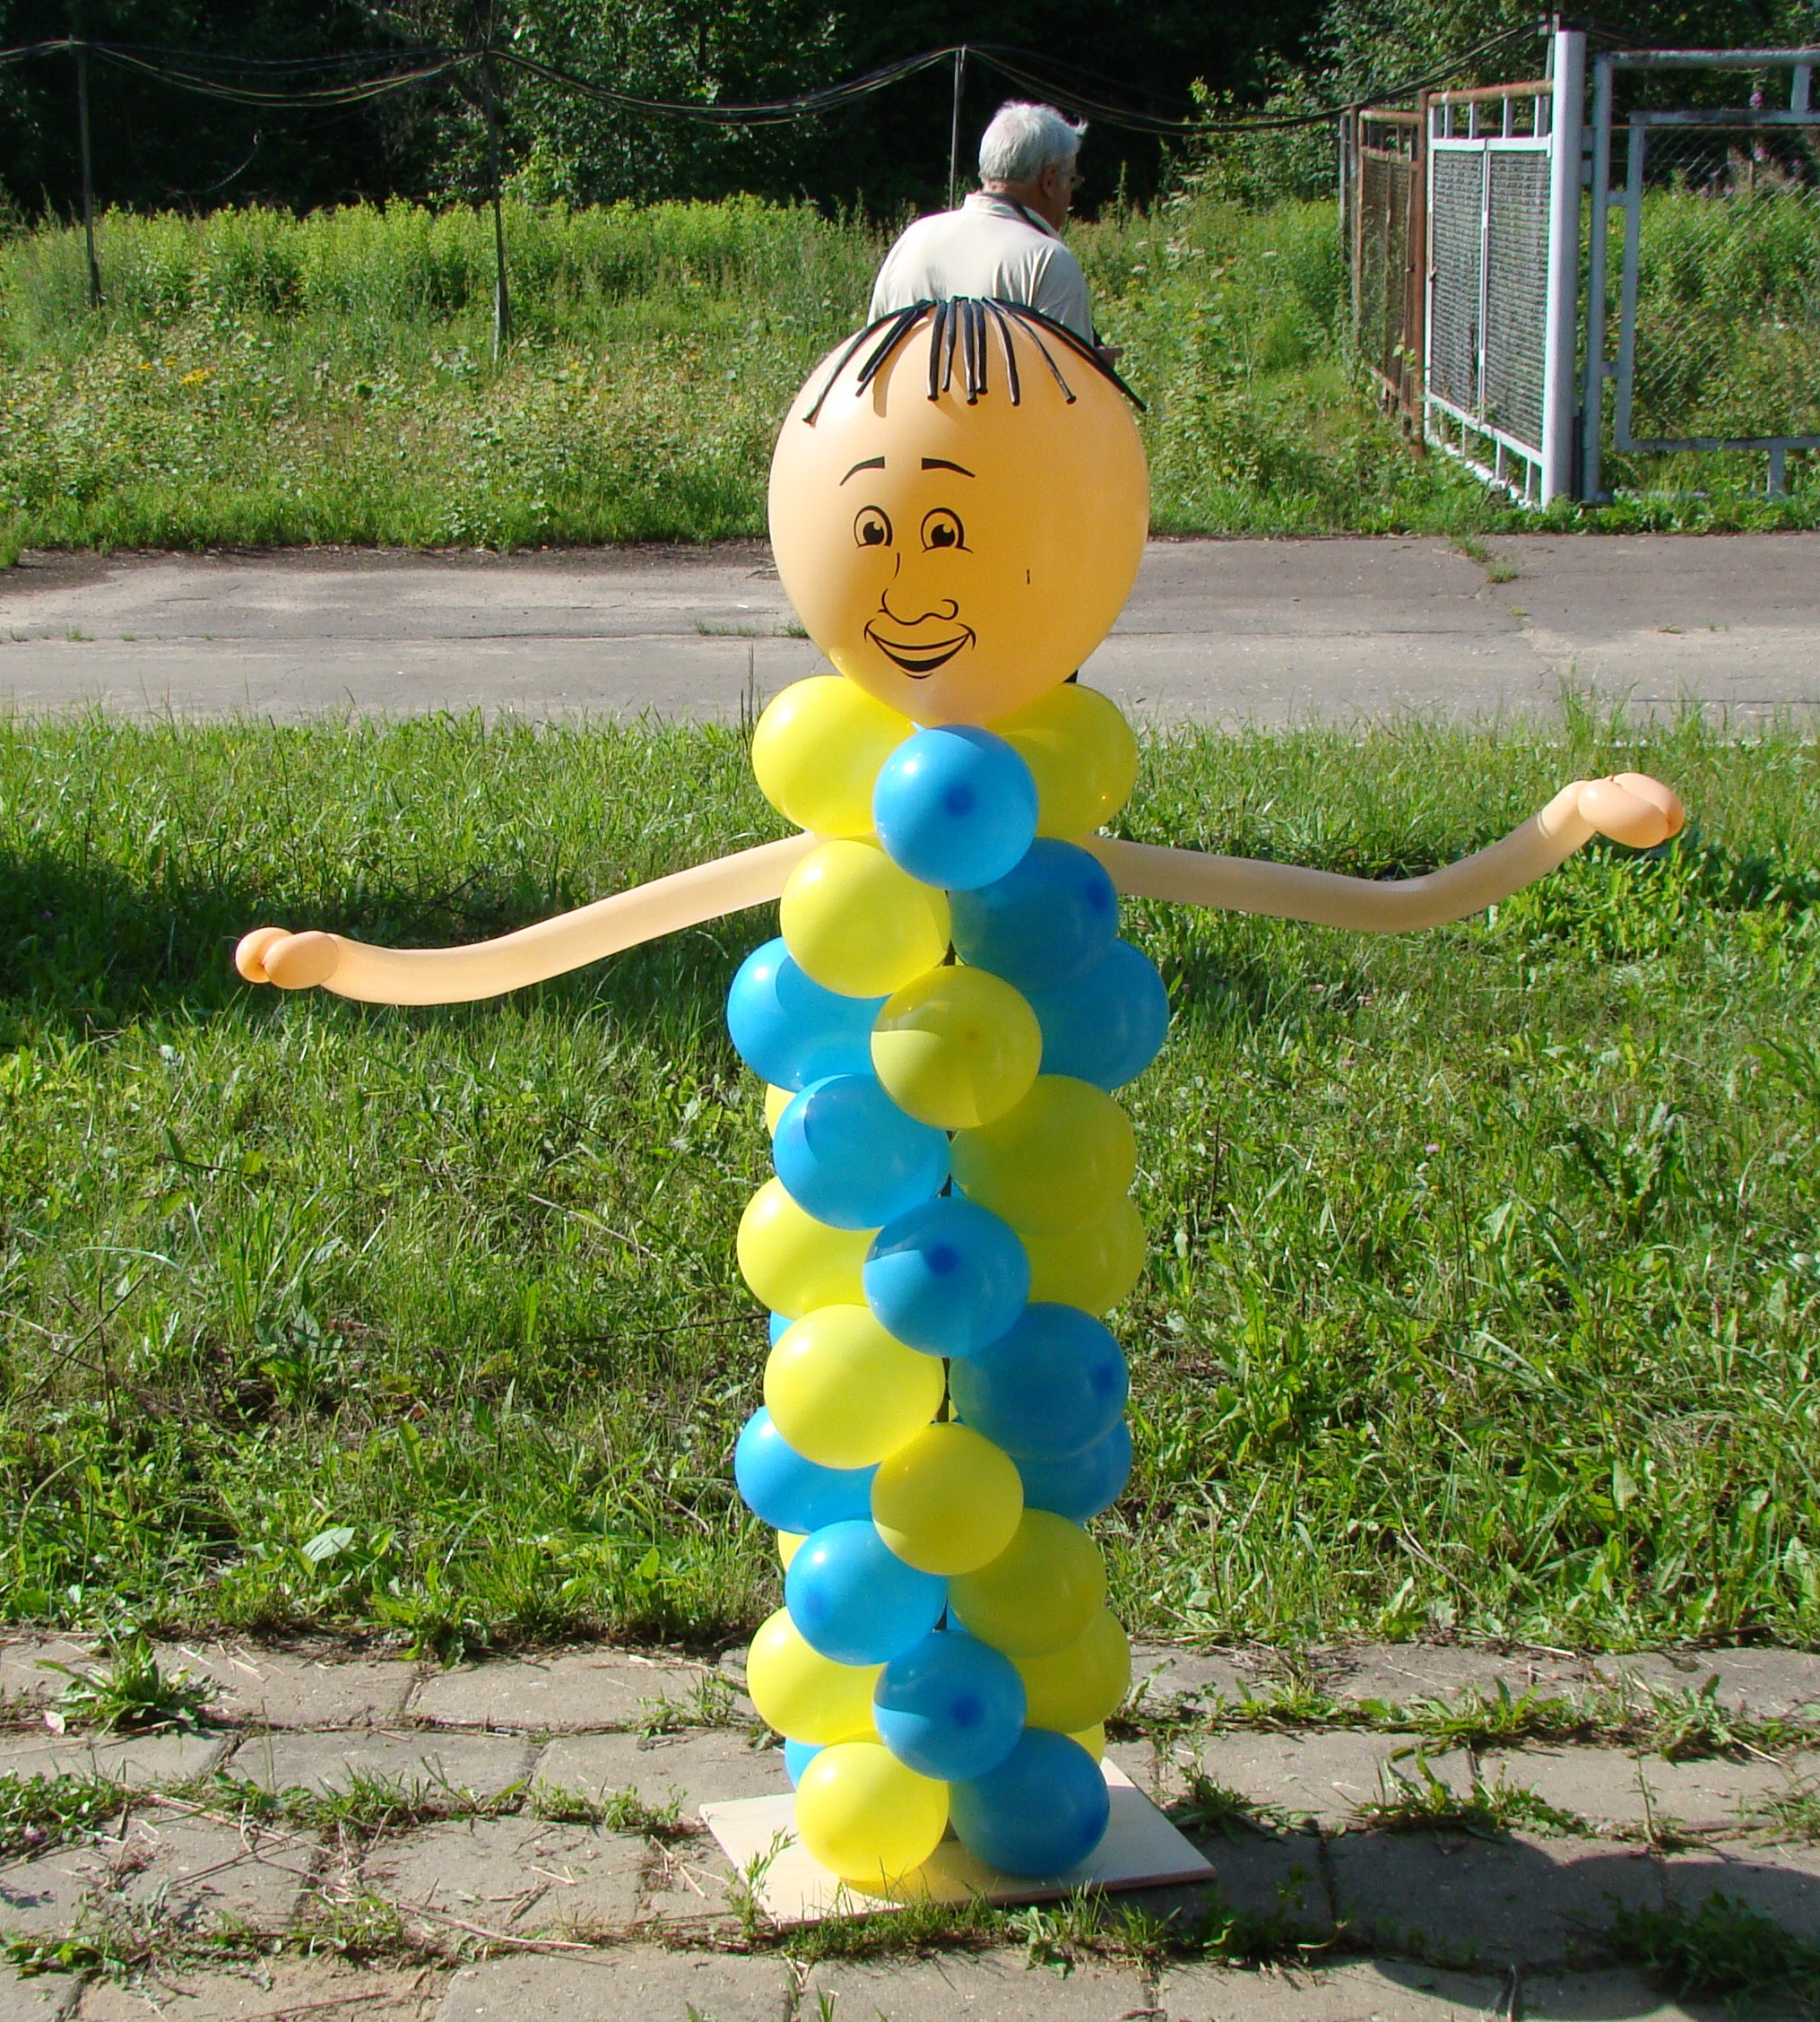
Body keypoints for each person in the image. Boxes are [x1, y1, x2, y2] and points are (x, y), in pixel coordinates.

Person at [869, 101, 1103, 350]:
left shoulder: (912, 240)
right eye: (1071, 180)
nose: (1070, 195)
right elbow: (1064, 373)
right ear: (1050, 180)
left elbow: (871, 356)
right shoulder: (1047, 261)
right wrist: (1095, 365)